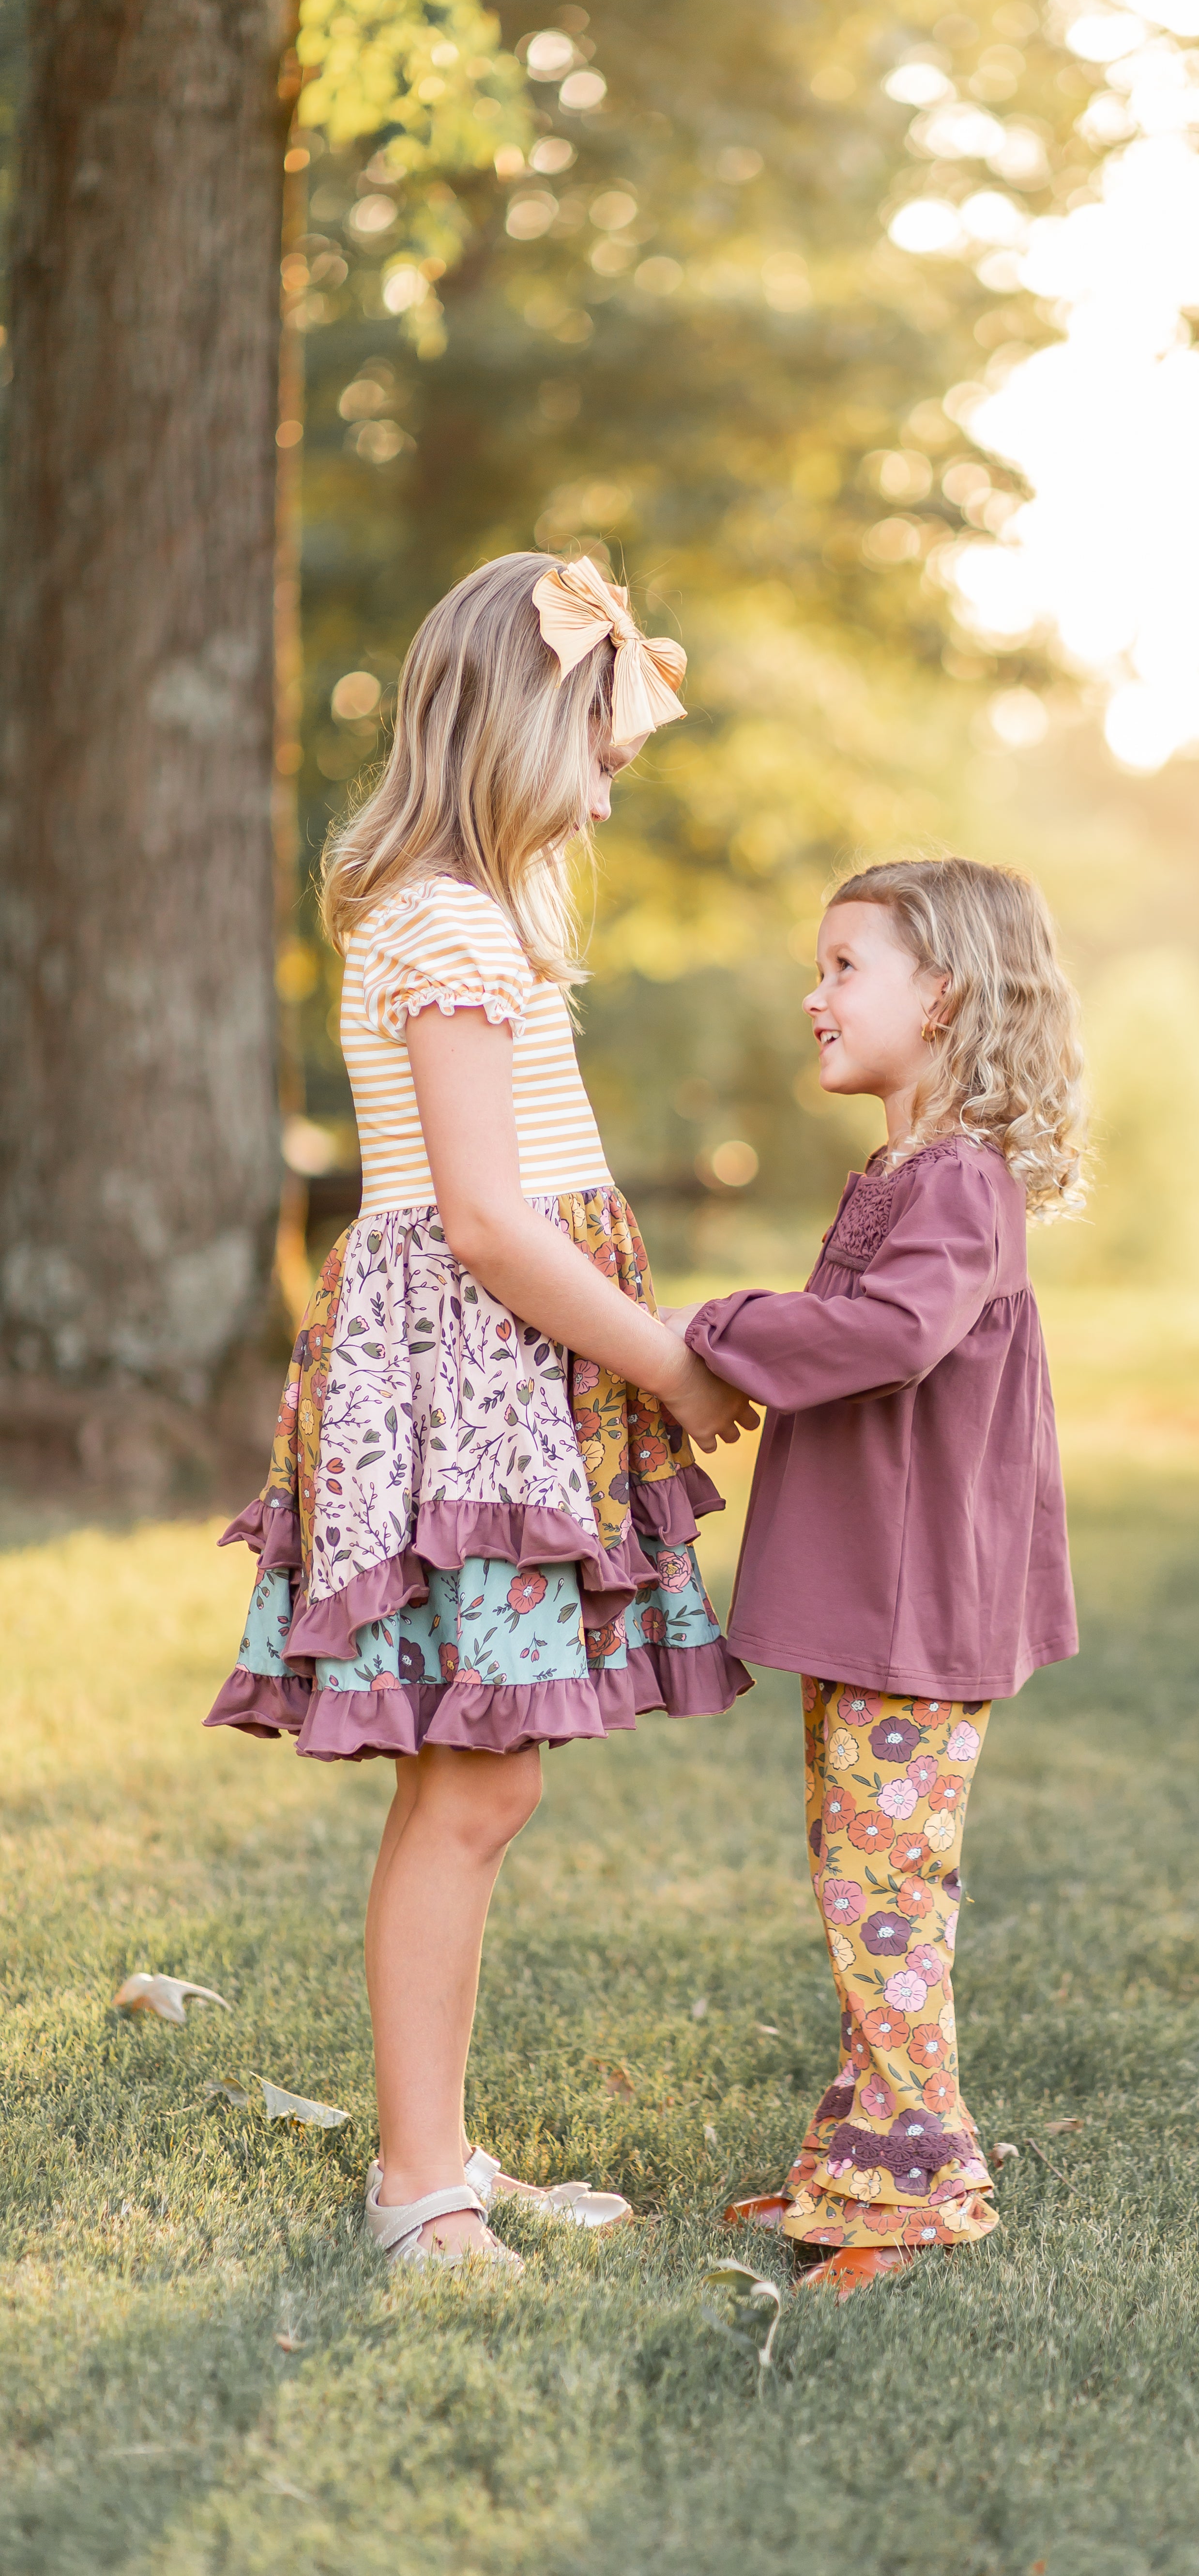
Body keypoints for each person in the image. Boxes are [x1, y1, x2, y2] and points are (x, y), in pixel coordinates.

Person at [208, 551, 756, 2272]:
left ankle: (437, 2154)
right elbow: (485, 1218)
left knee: (480, 1779)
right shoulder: (446, 922)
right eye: (599, 752)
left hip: (508, 1381)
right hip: (470, 1393)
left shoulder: (474, 913)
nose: (606, 790)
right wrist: (661, 1356)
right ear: (525, 728)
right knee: (470, 1783)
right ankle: (414, 2190)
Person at [672, 857, 1084, 2296]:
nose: (815, 994)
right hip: (876, 1605)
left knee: (887, 1897)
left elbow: (889, 1337)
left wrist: (715, 1330)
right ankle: (856, 2166)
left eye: (846, 966)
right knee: (865, 1884)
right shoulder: (905, 1171)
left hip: (917, 1613)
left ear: (947, 993)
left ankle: (923, 2190)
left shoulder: (960, 1181)